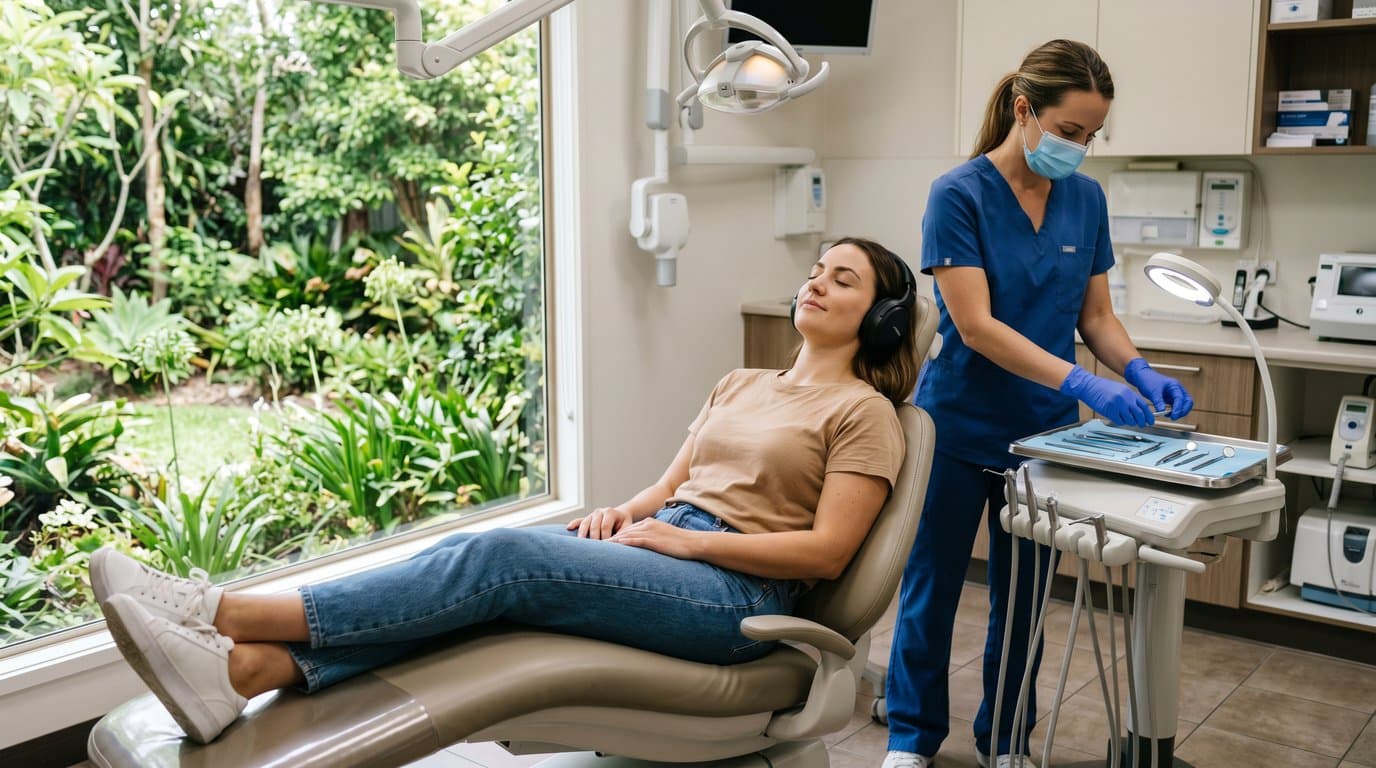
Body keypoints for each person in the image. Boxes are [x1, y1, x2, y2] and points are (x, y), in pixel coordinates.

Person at [92, 236, 920, 745]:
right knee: (468, 560)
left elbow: (826, 552)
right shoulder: (742, 381)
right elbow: (670, 486)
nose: (816, 281)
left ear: (880, 317)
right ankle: (249, 671)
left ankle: (219, 614)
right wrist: (623, 517)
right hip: (667, 547)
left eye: (842, 279)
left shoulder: (866, 413)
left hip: (735, 597)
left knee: (500, 558)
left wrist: (684, 539)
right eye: (816, 269)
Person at [881, 40, 1195, 768]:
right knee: (931, 589)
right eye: (1072, 131)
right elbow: (976, 325)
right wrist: (1086, 384)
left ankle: (1006, 741)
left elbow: (1096, 317)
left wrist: (1138, 369)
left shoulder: (1085, 198)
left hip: (1044, 441)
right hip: (956, 427)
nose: (1082, 148)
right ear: (1025, 112)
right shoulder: (957, 194)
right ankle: (910, 737)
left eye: (1092, 135)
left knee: (1023, 603)